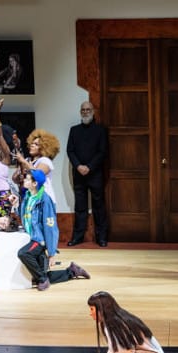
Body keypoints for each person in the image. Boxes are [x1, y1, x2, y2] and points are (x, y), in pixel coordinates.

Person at [11, 169, 90, 291]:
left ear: (35, 183)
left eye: (27, 179)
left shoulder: (45, 200)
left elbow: (50, 227)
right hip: (30, 237)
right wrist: (17, 206)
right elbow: (25, 217)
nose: (24, 180)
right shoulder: (27, 196)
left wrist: (52, 252)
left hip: (39, 239)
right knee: (35, 277)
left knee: (24, 253)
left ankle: (43, 280)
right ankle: (72, 271)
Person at [66, 101, 109, 247]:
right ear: (80, 112)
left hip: (95, 174)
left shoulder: (100, 130)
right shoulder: (74, 130)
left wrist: (89, 167)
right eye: (83, 110)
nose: (85, 112)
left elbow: (102, 152)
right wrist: (78, 166)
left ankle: (101, 237)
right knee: (80, 207)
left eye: (88, 109)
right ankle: (77, 237)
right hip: (79, 174)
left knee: (99, 206)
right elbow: (70, 151)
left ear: (93, 111)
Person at [13, 129, 60, 205]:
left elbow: (38, 175)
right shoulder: (27, 160)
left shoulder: (45, 161)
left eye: (36, 144)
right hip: (29, 200)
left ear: (44, 148)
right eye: (32, 143)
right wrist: (19, 175)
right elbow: (15, 179)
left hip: (43, 200)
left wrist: (23, 161)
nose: (32, 145)